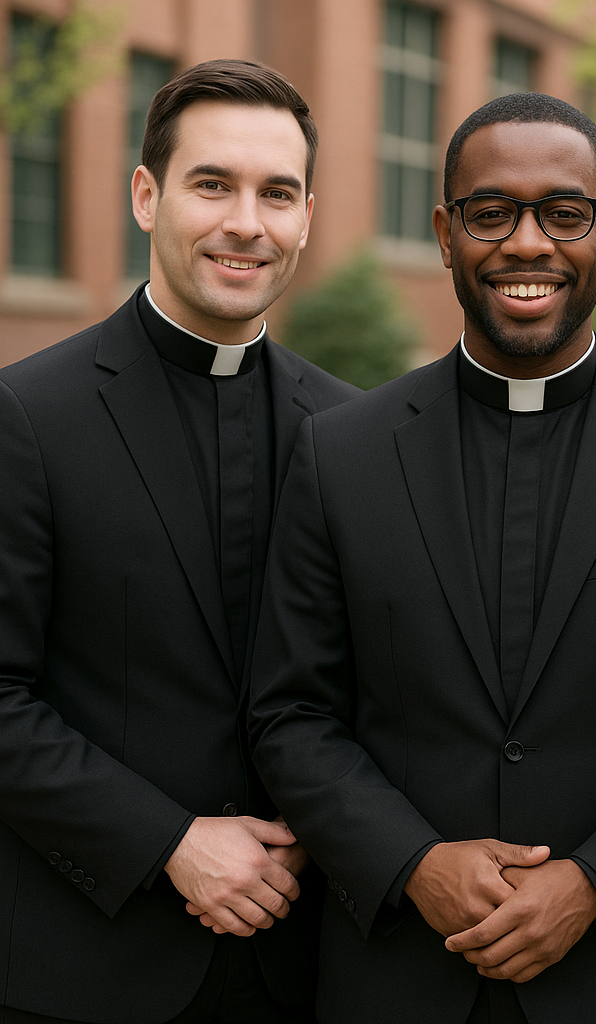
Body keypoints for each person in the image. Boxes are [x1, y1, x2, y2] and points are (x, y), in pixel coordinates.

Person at [248, 91, 596, 1024]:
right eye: (491, 213)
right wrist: (413, 863)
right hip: (396, 978)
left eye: (565, 213)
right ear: (445, 233)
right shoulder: (338, 453)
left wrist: (595, 883)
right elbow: (290, 714)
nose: (529, 243)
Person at [0, 59, 358, 1024]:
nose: (248, 221)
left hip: (313, 969)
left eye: (276, 193)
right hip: (88, 970)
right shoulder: (27, 414)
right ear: (145, 195)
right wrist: (170, 842)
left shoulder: (357, 432)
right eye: (213, 184)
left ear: (307, 216)